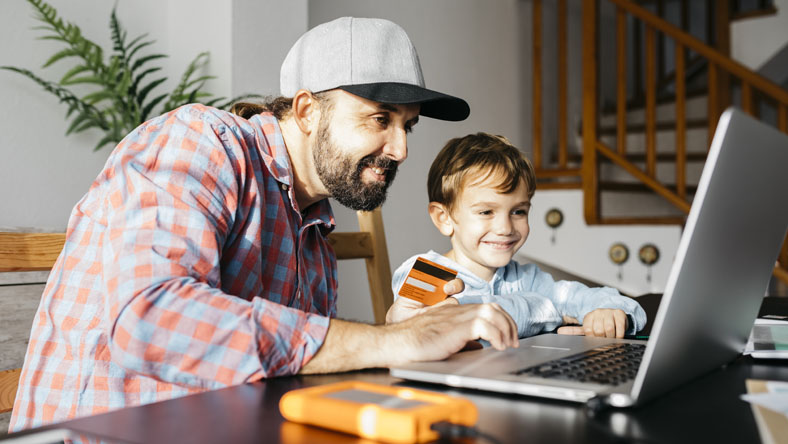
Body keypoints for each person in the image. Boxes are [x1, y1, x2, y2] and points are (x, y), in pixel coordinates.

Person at [10, 17, 519, 432]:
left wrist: (401, 336)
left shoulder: (314, 229)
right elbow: (147, 317)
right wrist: (385, 344)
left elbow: (287, 376)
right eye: (380, 118)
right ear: (306, 110)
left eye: (407, 126)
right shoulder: (199, 142)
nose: (402, 149)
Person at [386, 132, 646, 339]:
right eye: (486, 211)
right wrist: (549, 310)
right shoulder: (424, 273)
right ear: (445, 219)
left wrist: (612, 313)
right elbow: (455, 324)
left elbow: (598, 299)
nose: (505, 228)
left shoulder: (526, 279)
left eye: (518, 211)